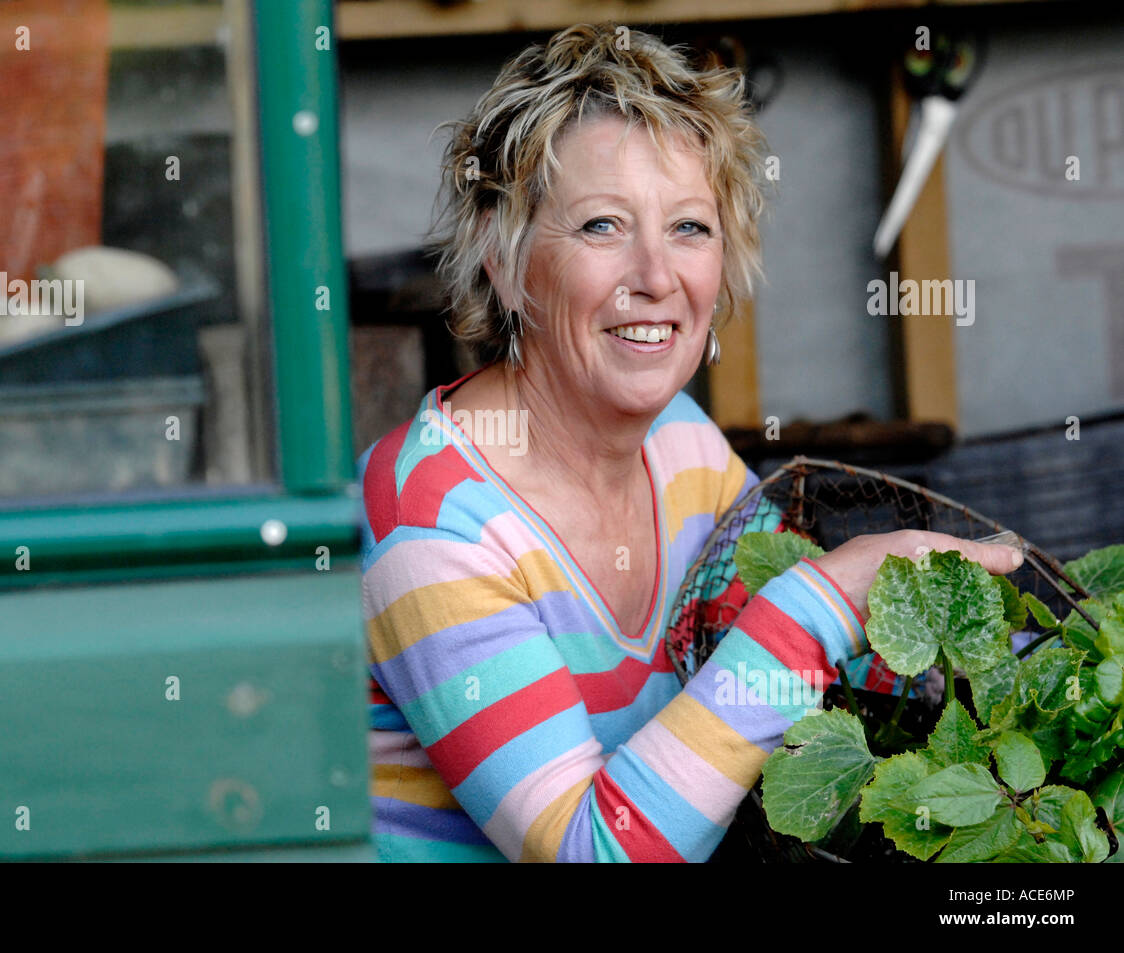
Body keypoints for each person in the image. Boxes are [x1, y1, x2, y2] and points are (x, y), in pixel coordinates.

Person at [355, 23, 1022, 862]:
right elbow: (590, 853)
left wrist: (1011, 659)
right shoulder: (432, 525)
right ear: (504, 256)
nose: (658, 276)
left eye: (689, 228)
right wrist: (817, 609)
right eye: (602, 225)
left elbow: (810, 685)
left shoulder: (682, 445)